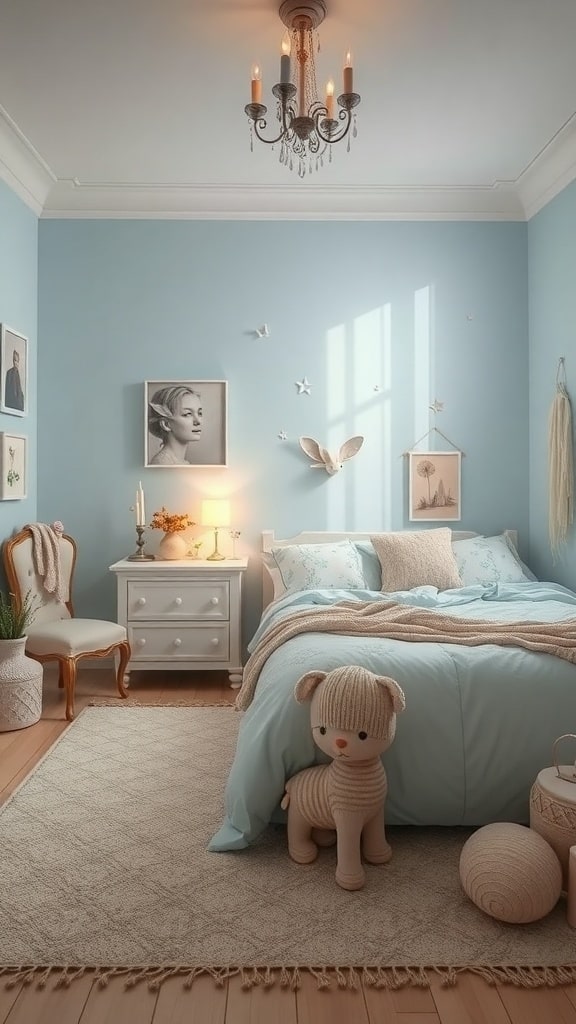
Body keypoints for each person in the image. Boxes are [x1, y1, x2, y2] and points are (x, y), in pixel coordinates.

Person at [147, 384, 203, 465]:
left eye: (199, 413)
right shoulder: (162, 463)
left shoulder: (183, 463)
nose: (198, 421)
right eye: (187, 414)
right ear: (166, 424)